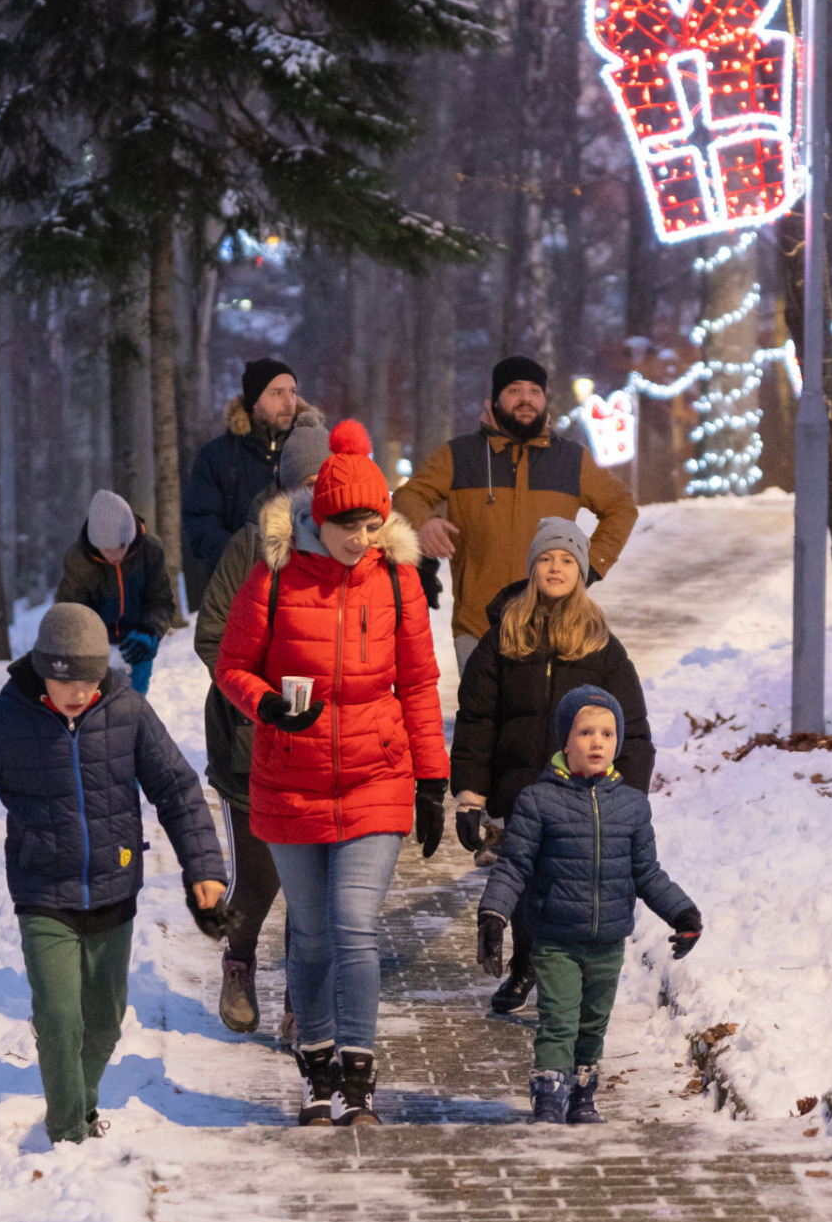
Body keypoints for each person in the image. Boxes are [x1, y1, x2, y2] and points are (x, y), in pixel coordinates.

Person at [0, 603, 227, 1145]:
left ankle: (81, 1108)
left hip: (114, 889)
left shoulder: (127, 710)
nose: (80, 692)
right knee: (61, 1019)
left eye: (90, 678)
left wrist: (203, 867)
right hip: (43, 894)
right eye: (67, 680)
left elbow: (177, 790)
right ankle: (68, 1137)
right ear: (44, 669)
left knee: (104, 1024)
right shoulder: (5, 721)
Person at [216, 421, 448, 1126]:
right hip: (291, 778)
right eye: (349, 524)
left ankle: (358, 1077)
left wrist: (433, 781)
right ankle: (315, 1070)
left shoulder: (400, 584)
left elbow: (420, 683)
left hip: (376, 775)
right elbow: (232, 667)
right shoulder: (275, 575)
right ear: (320, 516)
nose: (361, 538)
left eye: (372, 524)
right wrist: (267, 709)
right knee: (311, 933)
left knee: (354, 925)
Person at [450, 518, 653, 1015]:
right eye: (546, 558)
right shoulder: (502, 637)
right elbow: (476, 720)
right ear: (532, 566)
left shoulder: (600, 643)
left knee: (563, 884)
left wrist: (628, 797)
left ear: (581, 572)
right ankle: (526, 963)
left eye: (566, 560)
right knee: (521, 885)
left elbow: (634, 727)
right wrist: (470, 797)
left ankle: (559, 973)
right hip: (517, 789)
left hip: (579, 791)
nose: (556, 568)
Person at [477, 685, 701, 1125]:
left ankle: (582, 1092)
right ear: (565, 740)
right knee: (559, 1019)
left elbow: (646, 873)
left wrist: (683, 913)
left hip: (607, 941)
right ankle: (547, 1095)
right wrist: (493, 912)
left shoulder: (632, 806)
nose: (597, 742)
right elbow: (514, 866)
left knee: (593, 1024)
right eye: (585, 732)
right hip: (556, 938)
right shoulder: (539, 800)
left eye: (607, 733)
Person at [193, 411, 329, 1037]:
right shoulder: (249, 545)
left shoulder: (352, 547)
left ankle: (303, 1000)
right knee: (264, 876)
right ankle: (241, 962)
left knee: (316, 886)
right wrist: (261, 685)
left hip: (325, 745)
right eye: (306, 482)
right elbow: (212, 636)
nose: (315, 494)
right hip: (250, 744)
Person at [392, 354, 638, 672]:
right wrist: (424, 523)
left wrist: (589, 567)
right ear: (495, 400)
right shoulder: (460, 455)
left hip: (552, 626)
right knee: (480, 719)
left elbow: (621, 508)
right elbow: (407, 495)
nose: (526, 399)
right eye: (514, 390)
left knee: (541, 721)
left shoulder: (571, 460)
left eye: (535, 391)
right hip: (476, 626)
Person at [182, 358, 323, 585]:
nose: (289, 402)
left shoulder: (315, 451)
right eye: (277, 393)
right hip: (237, 588)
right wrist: (246, 560)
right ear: (254, 402)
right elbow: (202, 525)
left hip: (308, 585)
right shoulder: (217, 457)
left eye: (293, 392)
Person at [55, 489, 175, 695]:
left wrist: (149, 631)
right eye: (106, 548)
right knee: (96, 710)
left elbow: (161, 601)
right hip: (96, 647)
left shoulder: (150, 550)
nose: (114, 555)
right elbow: (69, 614)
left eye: (120, 546)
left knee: (132, 705)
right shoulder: (78, 560)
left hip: (138, 639)